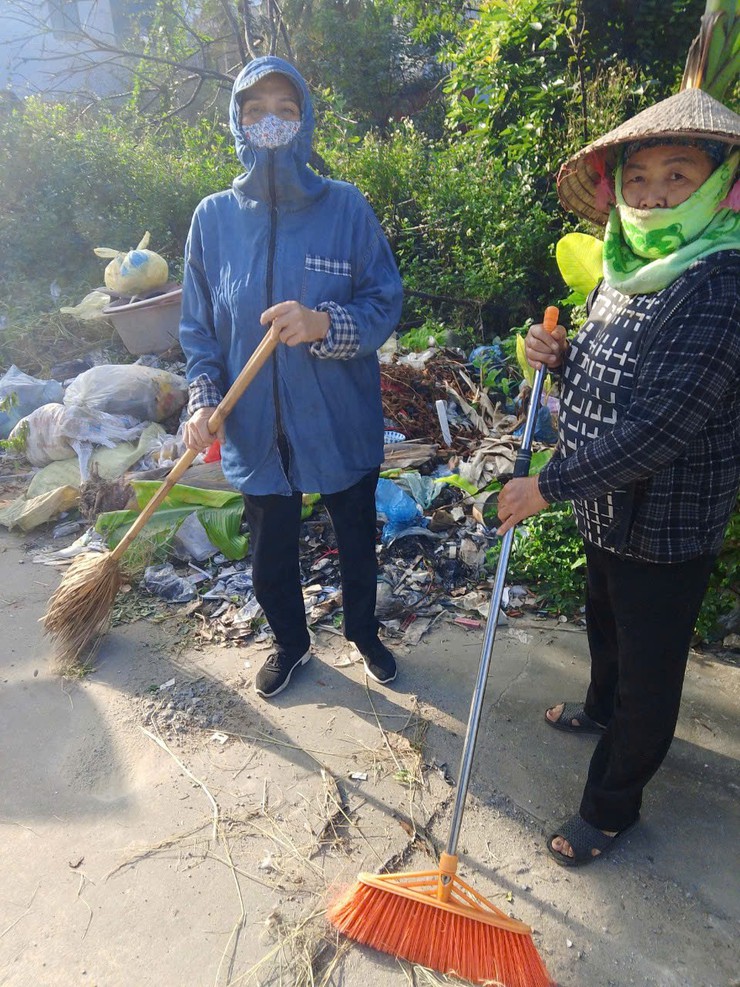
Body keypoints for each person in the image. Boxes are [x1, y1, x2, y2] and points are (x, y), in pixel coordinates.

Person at [497, 87, 740, 866]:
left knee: (650, 670)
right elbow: (607, 366)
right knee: (605, 627)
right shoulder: (626, 261)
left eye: (678, 174)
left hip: (667, 519)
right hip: (605, 509)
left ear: (717, 184)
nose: (655, 192)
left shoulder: (721, 283)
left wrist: (547, 485)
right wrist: (557, 357)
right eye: (638, 178)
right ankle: (599, 710)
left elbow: (664, 427)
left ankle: (611, 806)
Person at [179, 56, 403, 699]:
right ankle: (292, 642)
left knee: (356, 540)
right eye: (255, 110)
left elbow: (384, 301)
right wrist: (202, 400)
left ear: (303, 120)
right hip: (254, 427)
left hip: (337, 419)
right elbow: (198, 330)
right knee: (270, 558)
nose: (269, 120)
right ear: (237, 123)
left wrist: (323, 324)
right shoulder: (213, 219)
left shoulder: (345, 207)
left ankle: (364, 633)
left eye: (283, 108)